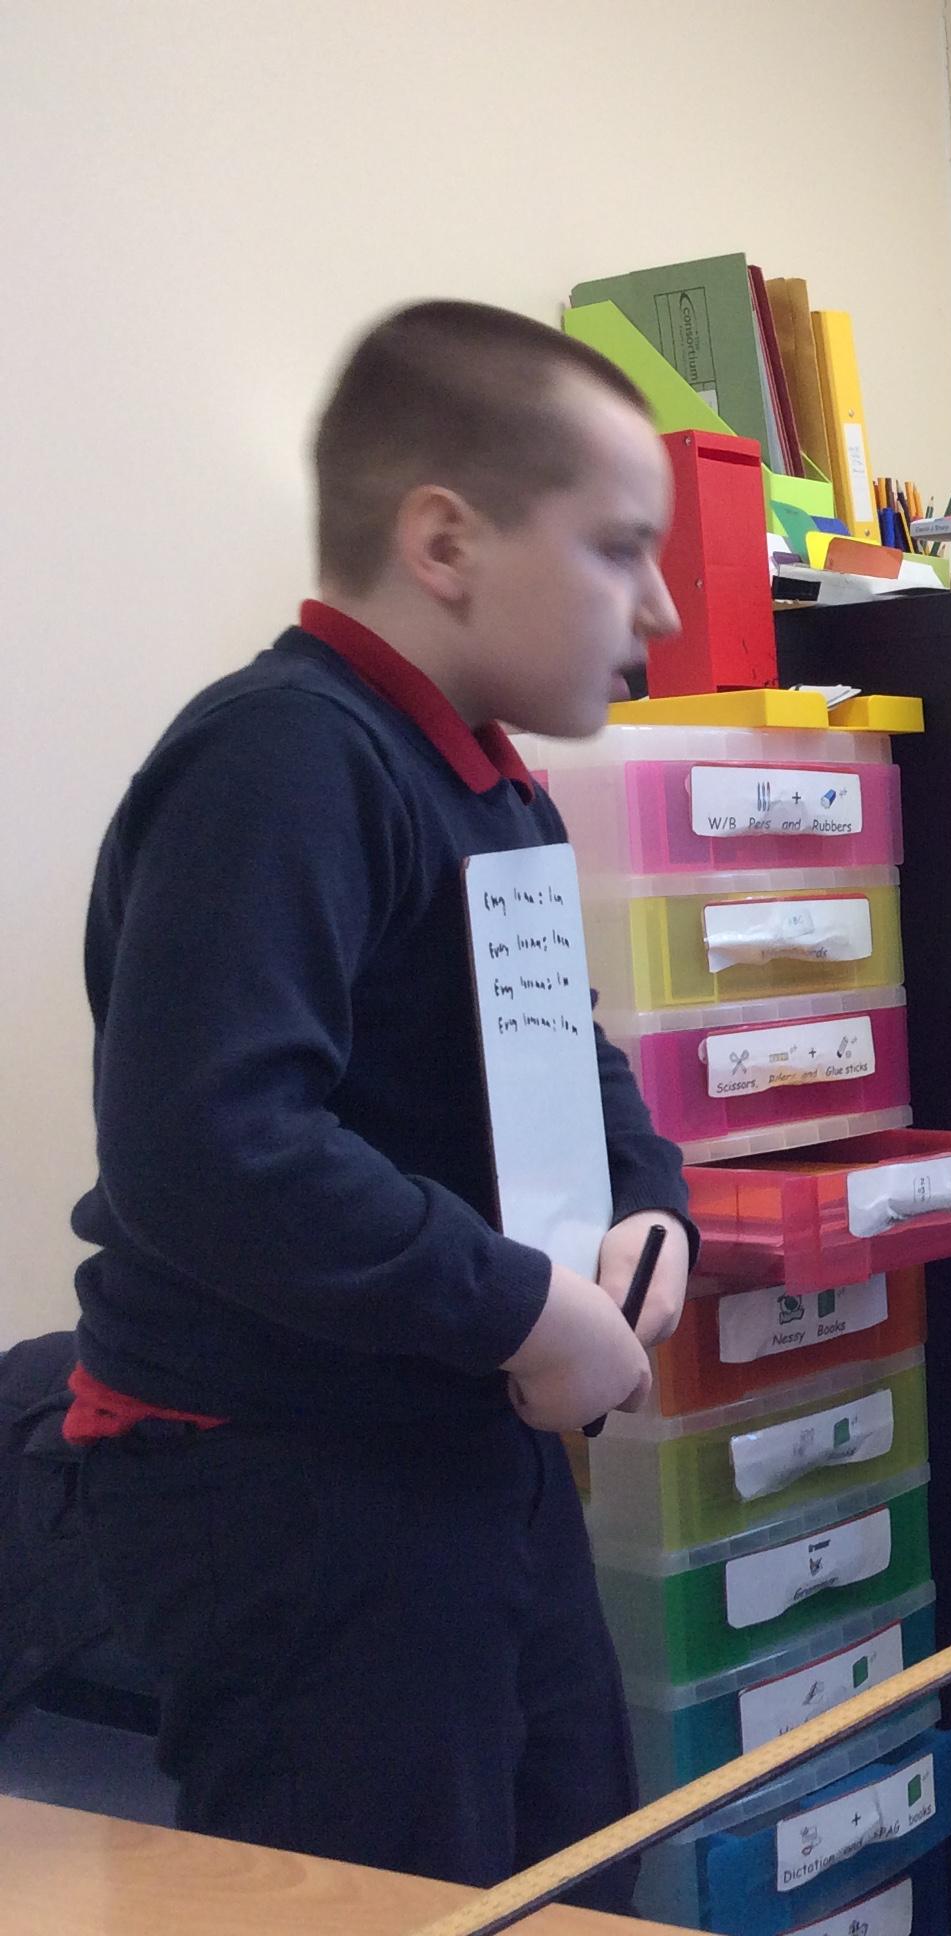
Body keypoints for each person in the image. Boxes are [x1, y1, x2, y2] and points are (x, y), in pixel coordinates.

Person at [67, 300, 692, 1909]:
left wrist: (649, 1207)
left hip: (462, 1438)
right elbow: (214, 1143)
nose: (664, 607)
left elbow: (565, 1052)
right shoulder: (284, 759)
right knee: (378, 1894)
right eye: (621, 548)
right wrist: (522, 1310)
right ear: (446, 542)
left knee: (573, 1862)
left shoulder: (488, 781)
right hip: (296, 1481)